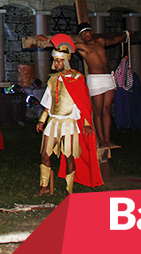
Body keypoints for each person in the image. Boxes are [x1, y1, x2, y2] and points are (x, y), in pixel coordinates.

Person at [36, 34, 102, 196]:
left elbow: (84, 104)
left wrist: (86, 123)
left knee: (69, 156)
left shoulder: (77, 79)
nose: (55, 64)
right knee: (45, 154)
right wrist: (42, 121)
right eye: (55, 60)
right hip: (53, 122)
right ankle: (44, 186)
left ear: (65, 60)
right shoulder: (53, 80)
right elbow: (48, 103)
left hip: (69, 123)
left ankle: (69, 189)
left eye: (58, 60)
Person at [73, 22, 128, 148]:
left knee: (107, 110)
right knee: (97, 111)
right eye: (82, 34)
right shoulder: (81, 46)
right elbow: (65, 45)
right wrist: (49, 41)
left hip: (108, 78)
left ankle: (108, 139)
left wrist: (126, 34)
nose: (85, 35)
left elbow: (114, 40)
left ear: (91, 32)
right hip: (95, 79)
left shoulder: (101, 41)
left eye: (86, 32)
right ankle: (101, 140)